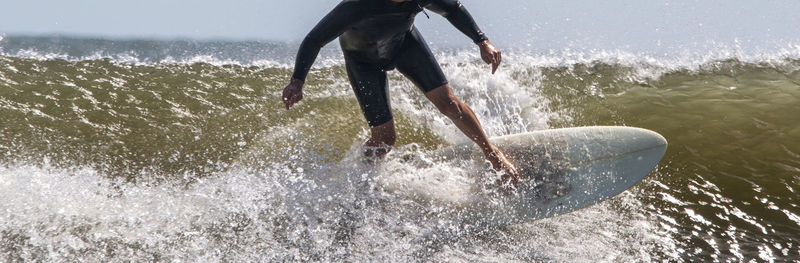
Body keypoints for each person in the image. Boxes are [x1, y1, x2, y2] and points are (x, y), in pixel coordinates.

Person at [282, 0, 520, 187]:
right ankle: (361, 179)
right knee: (385, 139)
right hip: (362, 62)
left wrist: (482, 41)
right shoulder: (357, 5)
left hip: (403, 44)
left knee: (449, 103)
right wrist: (297, 82)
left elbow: (453, 9)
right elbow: (314, 39)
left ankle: (493, 155)